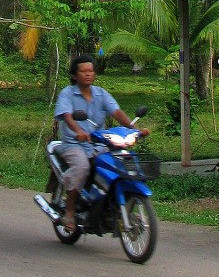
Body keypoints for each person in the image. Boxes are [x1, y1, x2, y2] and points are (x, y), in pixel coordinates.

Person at [54, 54, 149, 231]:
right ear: (75, 75)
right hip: (74, 144)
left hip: (99, 144)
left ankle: (113, 204)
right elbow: (67, 116)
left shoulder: (101, 94)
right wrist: (79, 132)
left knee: (122, 163)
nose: (87, 74)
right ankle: (69, 211)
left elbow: (117, 112)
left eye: (90, 71)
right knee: (82, 166)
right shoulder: (67, 94)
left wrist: (134, 129)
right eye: (83, 71)